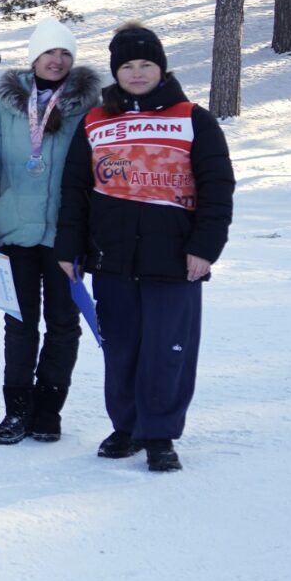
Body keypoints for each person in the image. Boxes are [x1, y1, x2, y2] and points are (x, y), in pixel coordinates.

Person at [54, 24, 234, 473]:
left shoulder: (193, 118)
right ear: (116, 72)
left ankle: (159, 434)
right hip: (112, 258)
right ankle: (128, 427)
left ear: (162, 68)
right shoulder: (95, 120)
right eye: (128, 66)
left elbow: (217, 189)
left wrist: (205, 248)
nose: (137, 73)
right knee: (121, 348)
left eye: (146, 64)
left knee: (166, 349)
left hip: (174, 259)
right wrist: (69, 247)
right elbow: (75, 190)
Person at [0, 17, 102, 444]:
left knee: (63, 323)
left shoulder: (88, 106)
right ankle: (17, 410)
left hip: (64, 233)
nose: (56, 60)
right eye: (48, 52)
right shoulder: (7, 104)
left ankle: (48, 410)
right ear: (34, 57)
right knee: (20, 324)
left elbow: (95, 174)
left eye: (64, 53)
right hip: (15, 230)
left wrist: (91, 236)